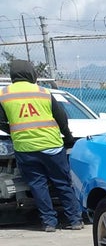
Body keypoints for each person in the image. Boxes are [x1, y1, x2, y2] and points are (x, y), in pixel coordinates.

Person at [0, 60, 83, 232]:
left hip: (25, 148)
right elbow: (61, 118)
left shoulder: (4, 95)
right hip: (51, 145)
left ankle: (48, 223)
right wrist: (68, 137)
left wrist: (14, 131)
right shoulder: (43, 92)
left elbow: (1, 121)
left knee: (38, 185)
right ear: (31, 73)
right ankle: (75, 220)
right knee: (62, 183)